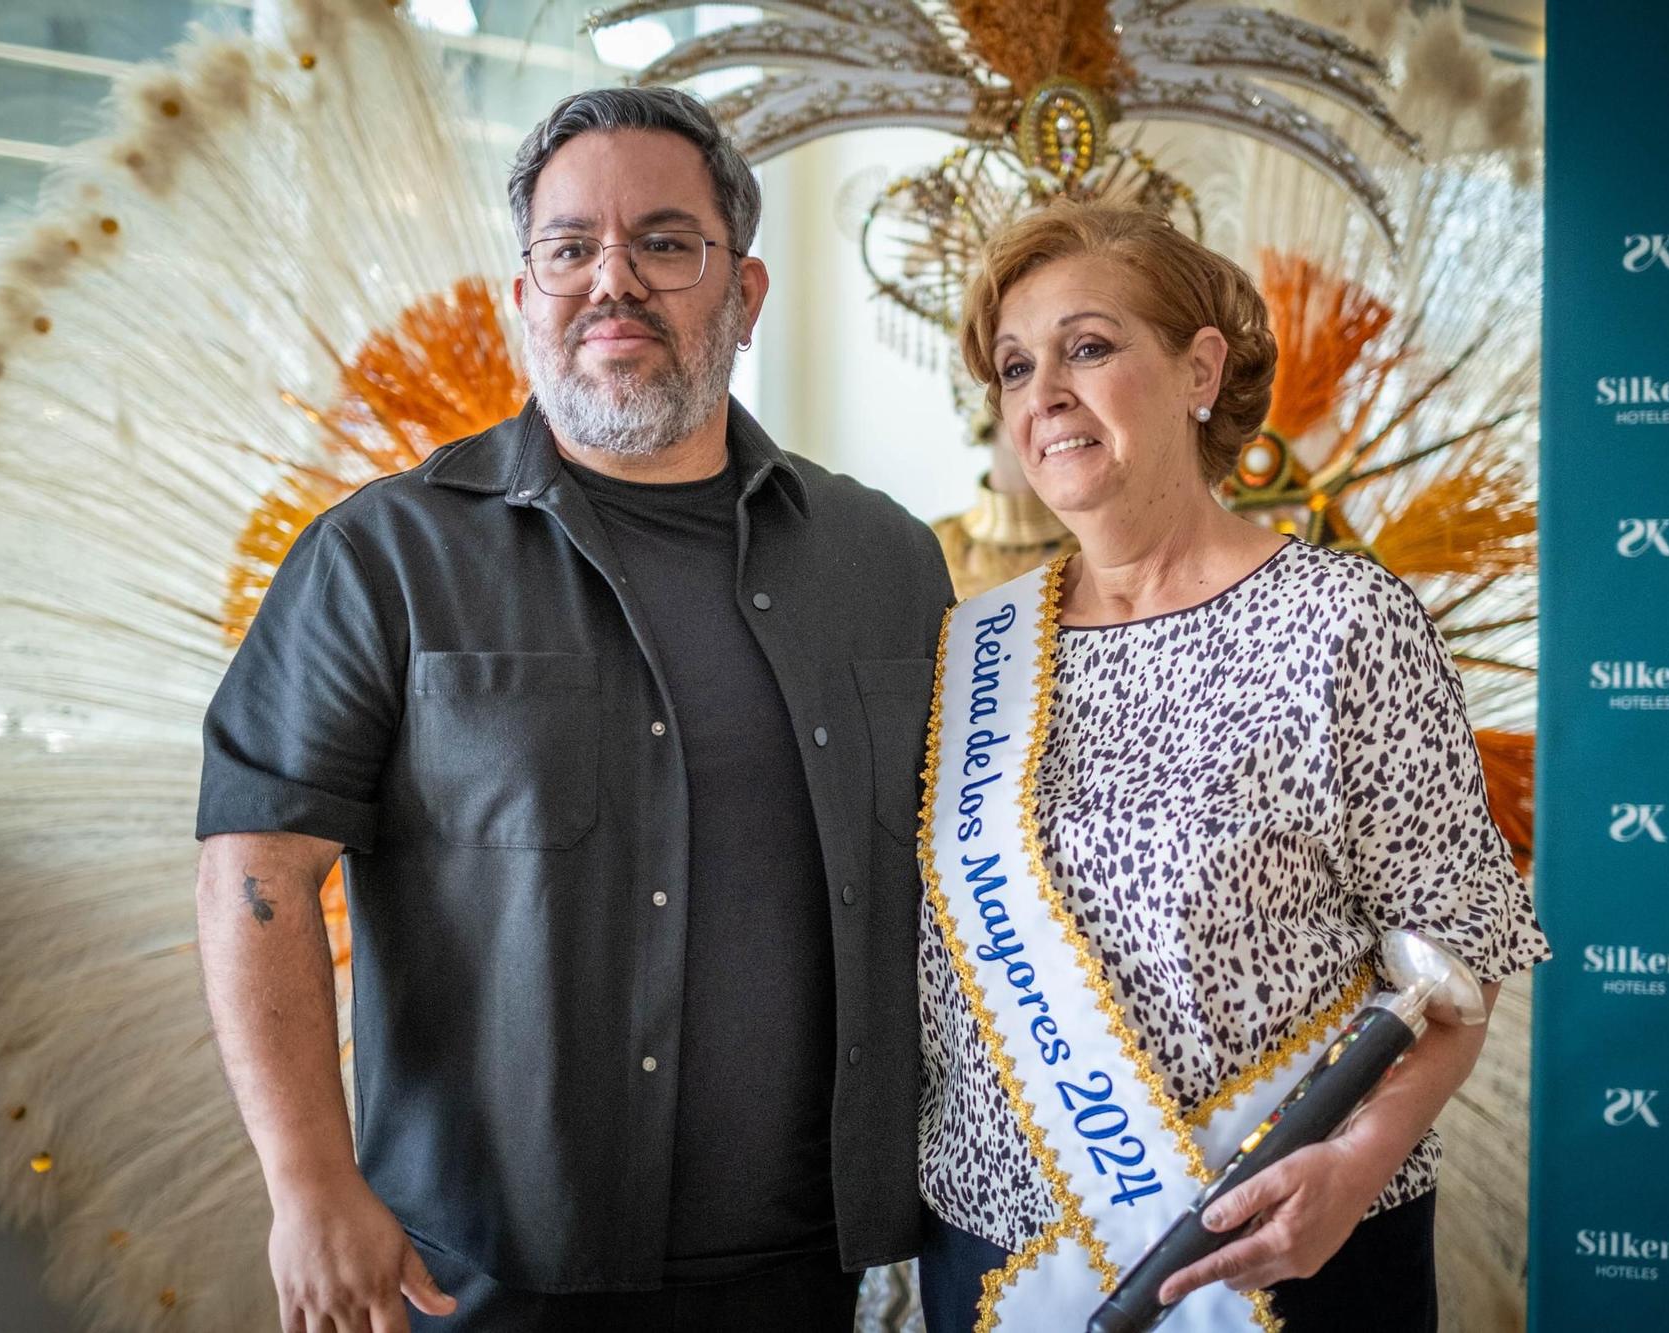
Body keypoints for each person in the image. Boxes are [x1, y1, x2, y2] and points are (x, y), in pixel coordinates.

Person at [194, 87, 953, 1333]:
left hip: (807, 1272)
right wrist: (310, 1182)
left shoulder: (883, 561)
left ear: (745, 294)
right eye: (567, 248)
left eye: (665, 243)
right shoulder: (382, 557)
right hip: (483, 1268)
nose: (615, 280)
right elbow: (255, 868)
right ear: (523, 298)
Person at [914, 201, 1550, 1331]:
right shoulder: (973, 645)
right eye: (1015, 367)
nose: (1042, 393)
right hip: (997, 1257)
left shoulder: (1342, 622)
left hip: (1286, 1250)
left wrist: (1355, 1165)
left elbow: (1454, 966)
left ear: (1198, 368)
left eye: (1089, 347)